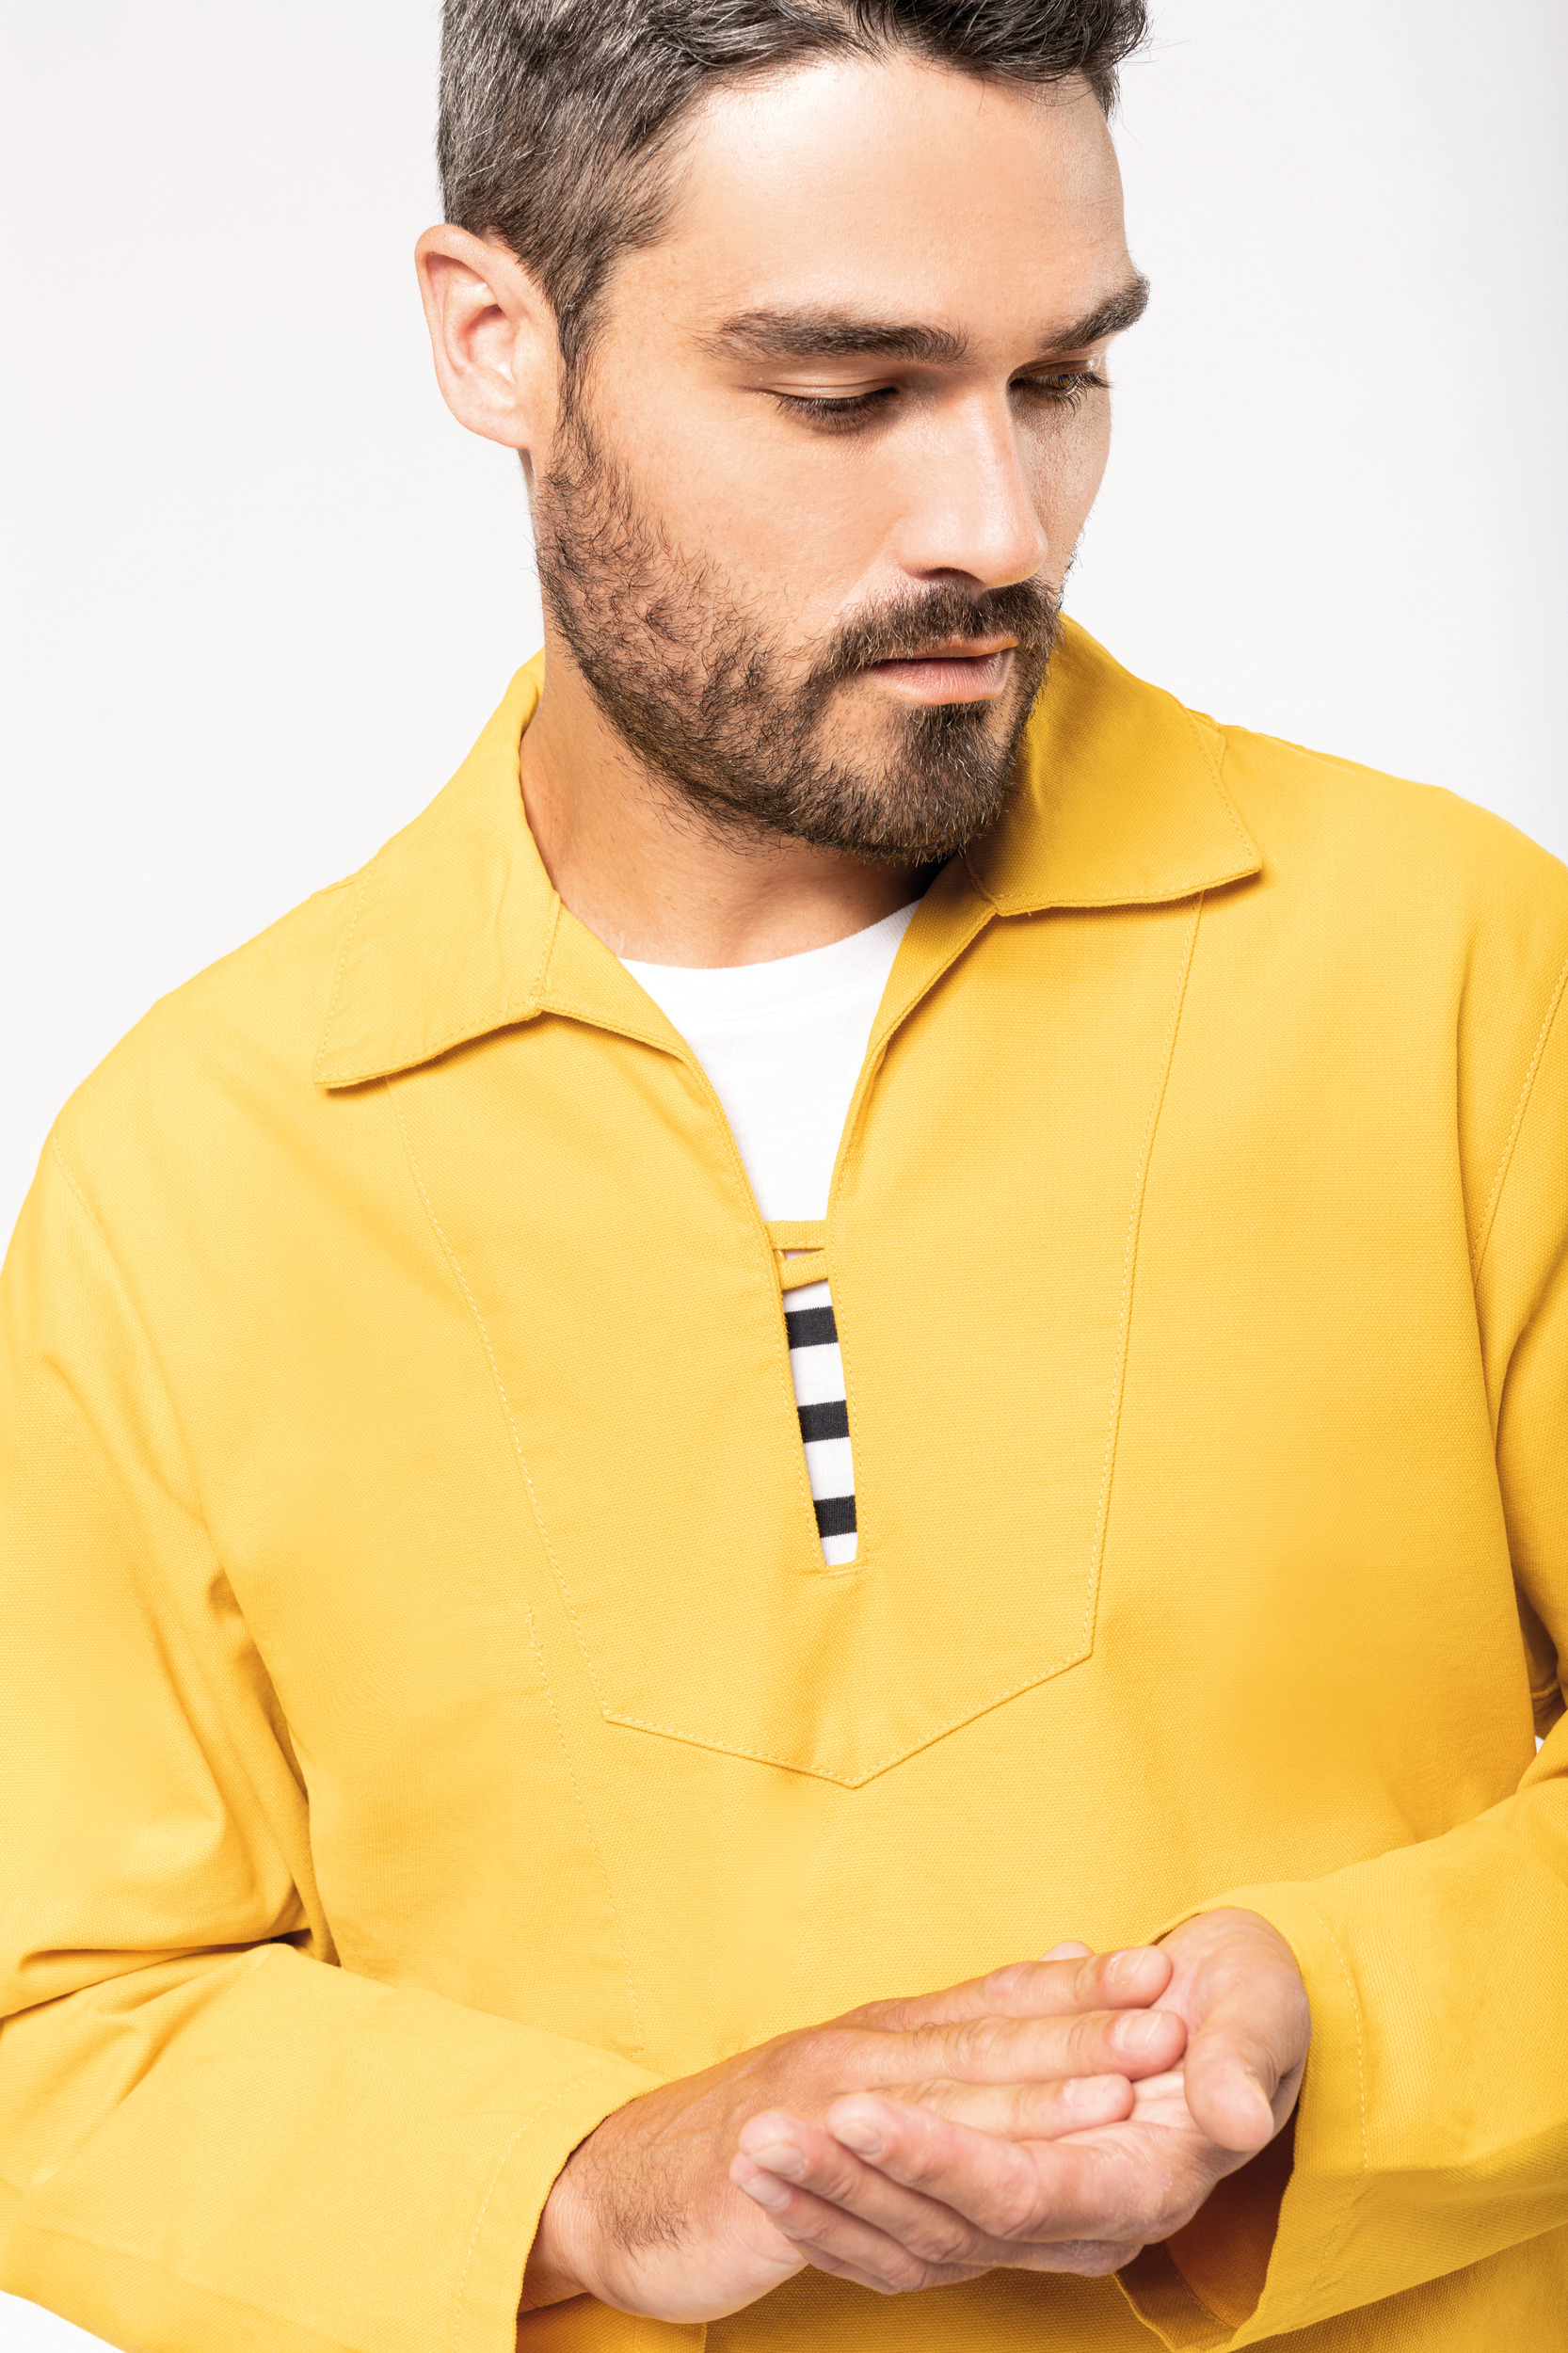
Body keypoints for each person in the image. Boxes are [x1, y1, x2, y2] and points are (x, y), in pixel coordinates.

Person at [2, 1, 1564, 2347]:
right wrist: (583, 2183)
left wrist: (1320, 2023)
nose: (994, 528)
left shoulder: (1462, 972)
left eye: (1059, 379)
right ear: (497, 337)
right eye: (845, 394)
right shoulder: (193, 1174)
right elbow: (58, 2027)